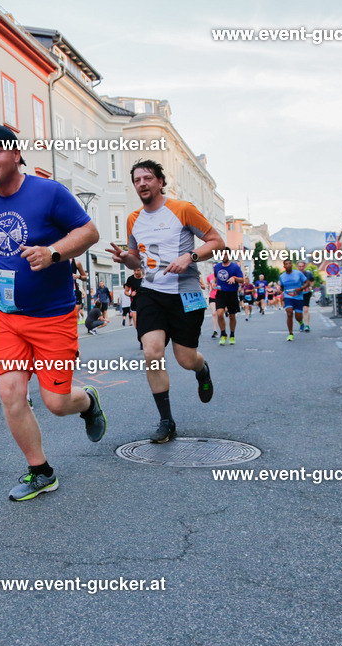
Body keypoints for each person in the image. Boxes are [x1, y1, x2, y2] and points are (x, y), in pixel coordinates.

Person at [0, 124, 106, 502]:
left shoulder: (49, 192)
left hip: (53, 317)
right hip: (7, 317)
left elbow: (90, 233)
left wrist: (53, 252)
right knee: (10, 391)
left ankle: (87, 400)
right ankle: (40, 471)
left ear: (15, 154)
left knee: (57, 403)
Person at [107, 159, 224, 444]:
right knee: (152, 352)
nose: (142, 184)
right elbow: (136, 259)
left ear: (160, 181)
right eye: (137, 180)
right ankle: (166, 421)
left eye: (147, 178)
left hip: (185, 293)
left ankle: (201, 368)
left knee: (185, 359)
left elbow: (216, 241)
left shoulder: (182, 209)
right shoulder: (133, 219)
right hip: (151, 292)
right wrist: (126, 259)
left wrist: (190, 256)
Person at [213, 254, 244, 345]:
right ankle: (223, 334)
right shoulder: (217, 266)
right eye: (222, 254)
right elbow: (215, 277)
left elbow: (242, 280)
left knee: (232, 316)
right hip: (220, 293)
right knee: (219, 314)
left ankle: (232, 335)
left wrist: (234, 278)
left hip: (232, 293)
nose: (224, 256)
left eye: (226, 254)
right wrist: (213, 283)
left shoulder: (235, 267)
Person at [279, 259, 308, 341]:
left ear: (292, 265)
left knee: (298, 317)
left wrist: (301, 288)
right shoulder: (282, 276)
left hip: (298, 297)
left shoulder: (298, 273)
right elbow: (282, 287)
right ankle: (291, 334)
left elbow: (307, 282)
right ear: (284, 266)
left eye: (289, 263)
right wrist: (279, 291)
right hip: (288, 297)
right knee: (289, 313)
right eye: (286, 264)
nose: (288, 265)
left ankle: (301, 322)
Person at [297, 261, 314, 332]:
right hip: (297, 294)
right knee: (298, 312)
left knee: (306, 309)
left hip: (306, 293)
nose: (301, 268)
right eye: (299, 266)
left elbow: (312, 281)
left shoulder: (308, 274)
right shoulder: (294, 274)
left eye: (302, 266)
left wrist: (311, 287)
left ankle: (307, 325)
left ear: (305, 266)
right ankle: (301, 324)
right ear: (297, 267)